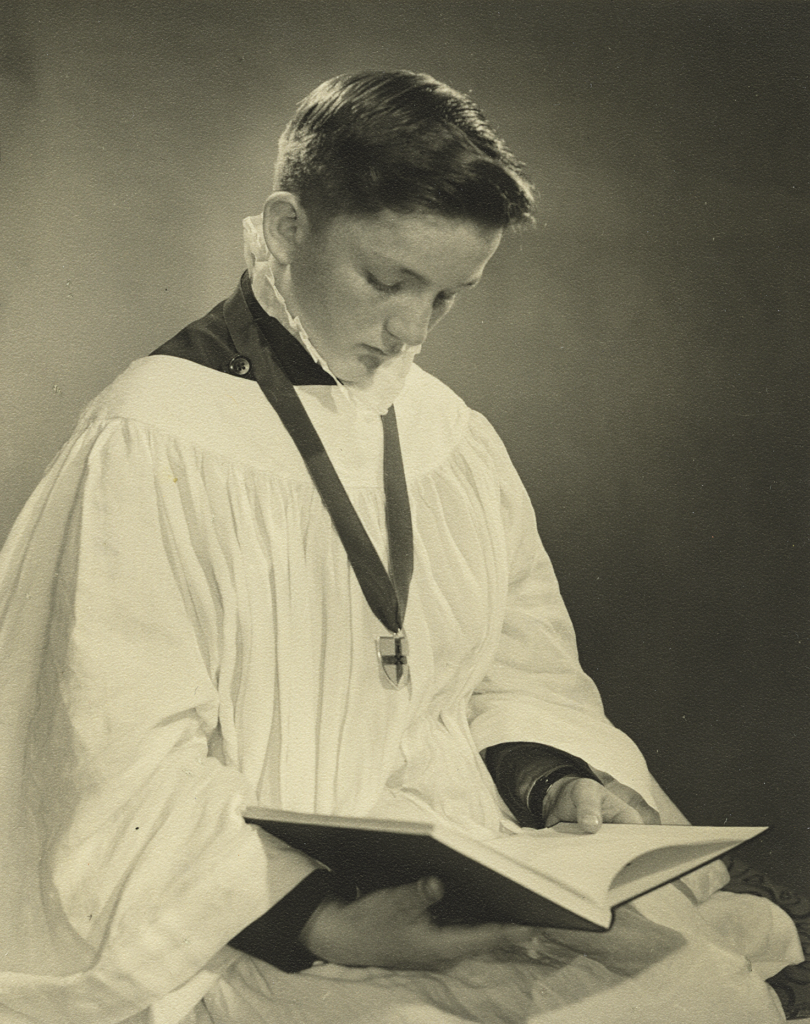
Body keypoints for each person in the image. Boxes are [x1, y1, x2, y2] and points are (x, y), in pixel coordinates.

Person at [0, 70, 801, 1024]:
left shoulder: (445, 435)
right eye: (386, 282)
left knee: (703, 998)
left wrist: (552, 782)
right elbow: (110, 757)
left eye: (449, 297)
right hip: (247, 907)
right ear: (287, 227)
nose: (409, 333)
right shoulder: (151, 439)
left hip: (460, 861)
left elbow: (518, 669)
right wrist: (327, 923)